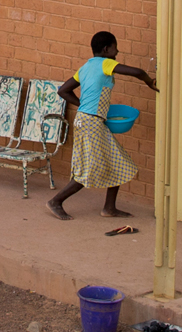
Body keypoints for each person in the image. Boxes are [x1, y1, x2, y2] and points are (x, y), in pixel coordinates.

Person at [48, 30, 156, 220]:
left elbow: (63, 90)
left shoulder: (85, 67)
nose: (117, 52)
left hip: (88, 120)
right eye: (115, 48)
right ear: (106, 49)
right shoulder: (106, 63)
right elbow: (138, 72)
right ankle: (56, 201)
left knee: (118, 163)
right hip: (91, 123)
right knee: (89, 169)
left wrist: (83, 105)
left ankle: (109, 208)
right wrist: (150, 82)